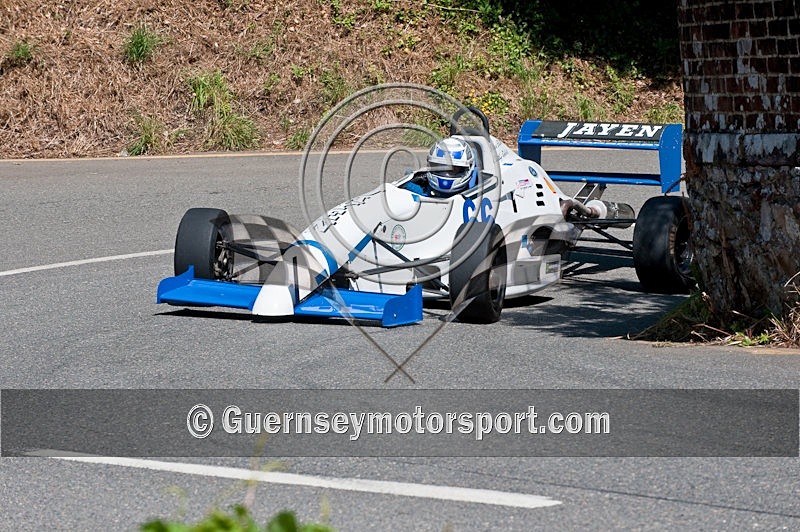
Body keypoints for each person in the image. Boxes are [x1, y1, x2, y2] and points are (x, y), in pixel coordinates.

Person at [402, 137, 478, 197]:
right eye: (441, 167)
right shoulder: (419, 191)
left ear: (468, 169)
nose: (446, 173)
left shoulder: (477, 192)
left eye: (453, 169)